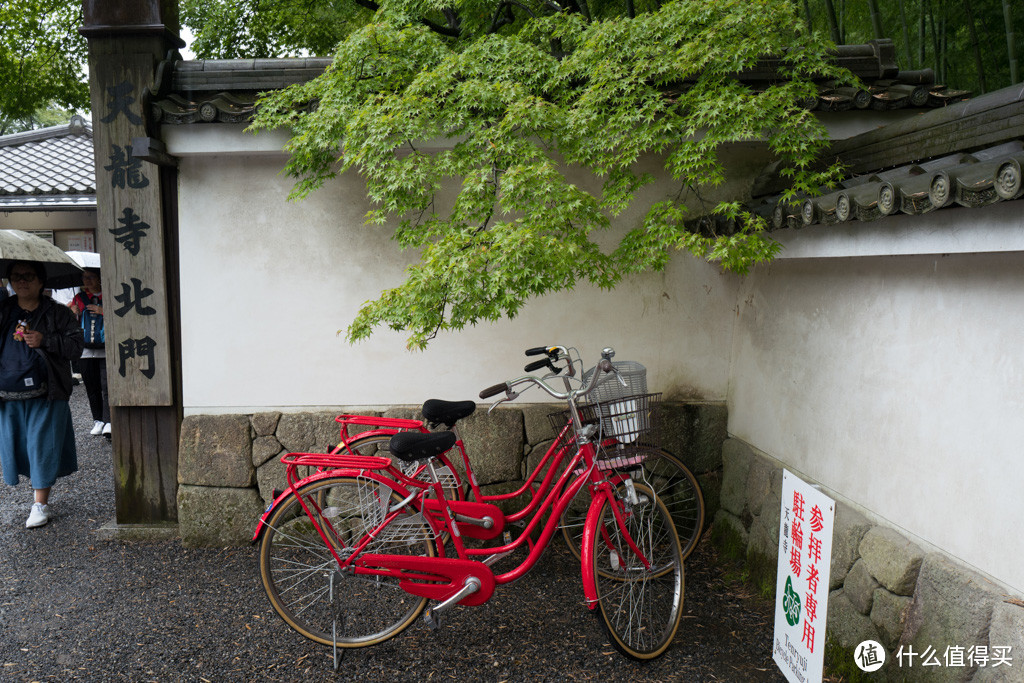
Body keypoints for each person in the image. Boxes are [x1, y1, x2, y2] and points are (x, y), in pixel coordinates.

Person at [0, 260, 83, 528]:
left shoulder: (58, 313)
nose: (21, 281)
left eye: (28, 276)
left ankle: (40, 503)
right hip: (8, 390)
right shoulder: (2, 312)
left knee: (42, 444)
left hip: (48, 390)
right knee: (17, 445)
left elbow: (75, 348)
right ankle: (36, 493)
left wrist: (45, 340)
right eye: (16, 276)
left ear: (41, 281)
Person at [69, 268, 110, 437]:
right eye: (84, 277)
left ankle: (109, 420)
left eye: (91, 277)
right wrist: (73, 313)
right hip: (85, 349)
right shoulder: (78, 298)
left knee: (107, 385)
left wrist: (103, 311)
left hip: (106, 348)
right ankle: (97, 420)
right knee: (91, 386)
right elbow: (69, 322)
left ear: (100, 278)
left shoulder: (109, 295)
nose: (87, 281)